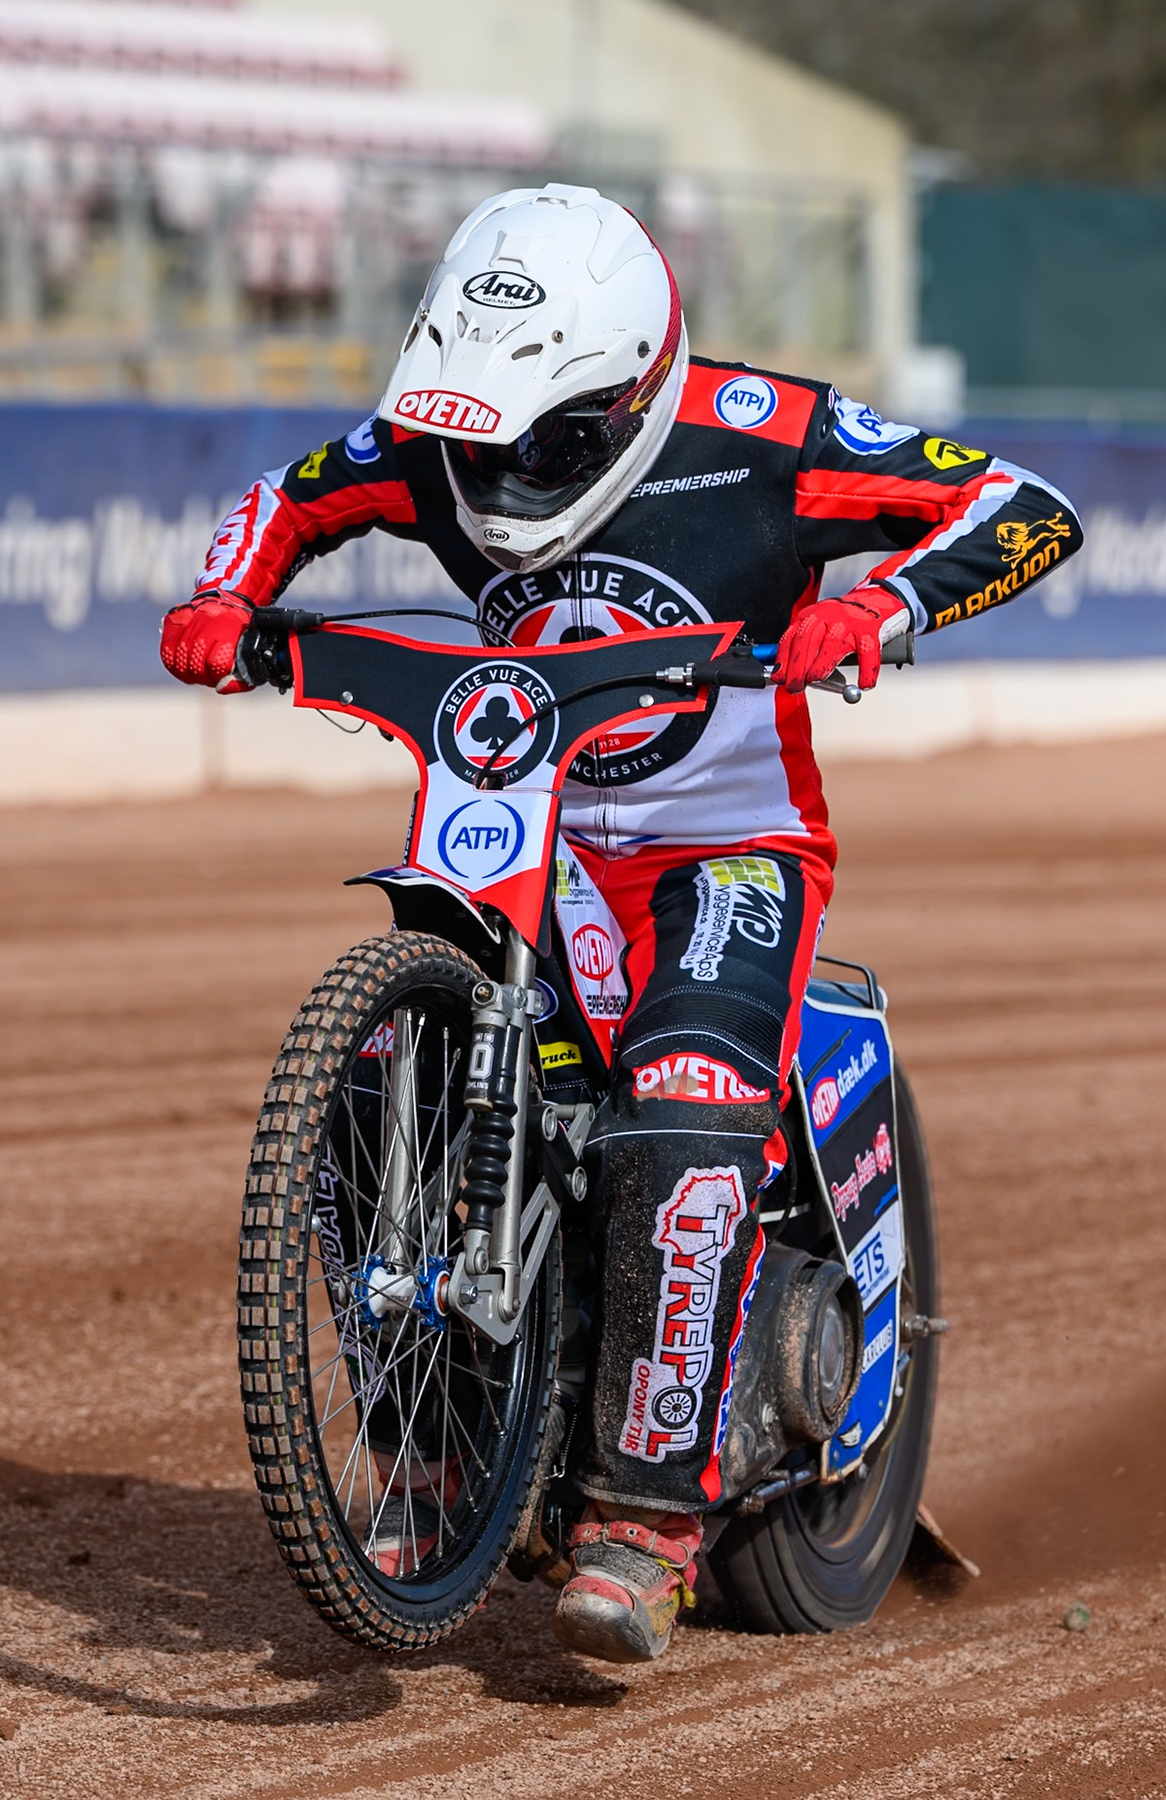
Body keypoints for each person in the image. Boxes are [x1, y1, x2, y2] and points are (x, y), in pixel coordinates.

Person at [161, 183, 1082, 1664]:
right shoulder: (428, 441)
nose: (497, 468)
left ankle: (645, 1521)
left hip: (725, 850)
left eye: (542, 441)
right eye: (472, 440)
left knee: (686, 1095)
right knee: (379, 1087)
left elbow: (1025, 508)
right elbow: (279, 504)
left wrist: (889, 606)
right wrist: (228, 596)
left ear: (637, 391)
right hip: (525, 829)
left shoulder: (771, 435)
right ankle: (443, 1452)